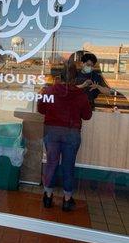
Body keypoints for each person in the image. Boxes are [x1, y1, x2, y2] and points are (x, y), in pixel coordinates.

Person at [38, 63, 92, 211]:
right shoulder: (80, 95)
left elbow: (41, 109)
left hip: (52, 132)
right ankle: (67, 200)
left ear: (60, 76)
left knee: (51, 164)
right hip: (71, 134)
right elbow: (87, 116)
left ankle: (48, 197)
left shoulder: (49, 91)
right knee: (68, 166)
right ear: (75, 79)